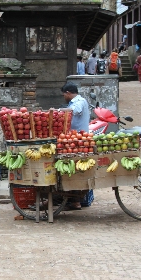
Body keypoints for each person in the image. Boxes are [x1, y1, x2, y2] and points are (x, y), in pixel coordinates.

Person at [62, 82, 90, 210]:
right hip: (73, 140)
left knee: (75, 171)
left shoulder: (80, 101)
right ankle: (74, 199)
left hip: (79, 141)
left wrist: (57, 111)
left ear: (68, 93)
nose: (64, 97)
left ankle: (76, 200)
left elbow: (75, 111)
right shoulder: (74, 102)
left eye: (64, 94)